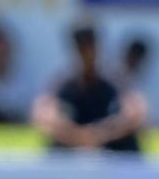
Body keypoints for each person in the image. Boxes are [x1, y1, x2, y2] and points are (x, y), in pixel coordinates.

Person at [31, 23, 147, 153]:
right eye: (82, 48)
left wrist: (100, 134)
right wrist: (78, 136)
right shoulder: (63, 80)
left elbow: (136, 114)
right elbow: (43, 116)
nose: (87, 54)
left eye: (90, 46)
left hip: (113, 148)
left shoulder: (116, 78)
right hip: (72, 147)